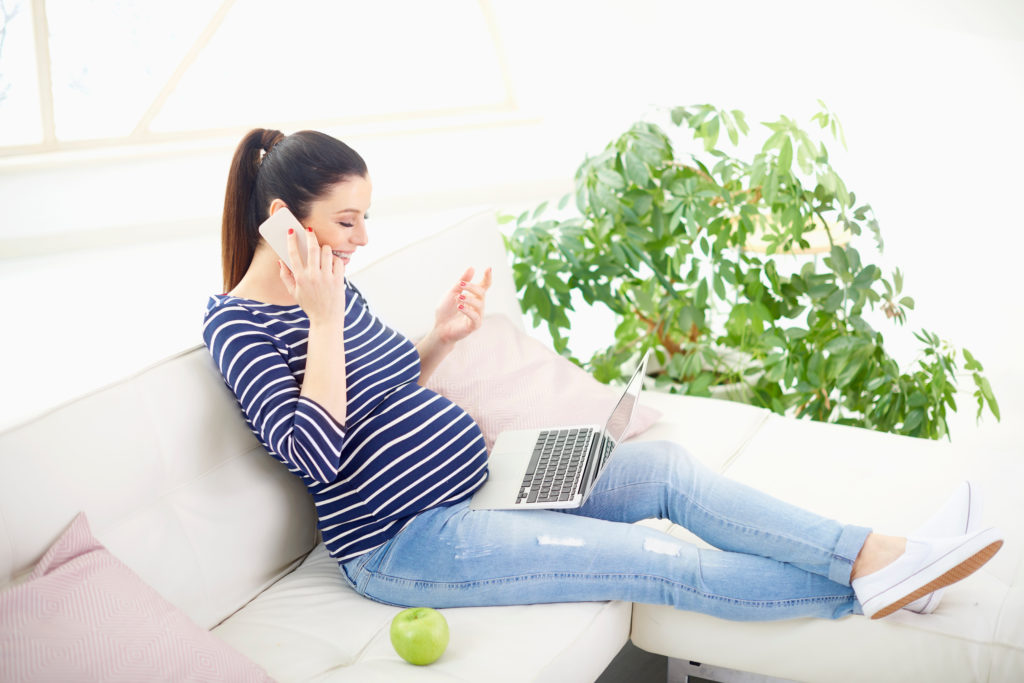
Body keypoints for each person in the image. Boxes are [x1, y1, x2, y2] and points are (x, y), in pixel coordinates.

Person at [202, 128, 1003, 622]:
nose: (364, 237)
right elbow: (314, 450)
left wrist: (440, 340)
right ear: (283, 222)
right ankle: (889, 582)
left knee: (663, 472)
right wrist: (324, 316)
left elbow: (377, 389)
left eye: (366, 217)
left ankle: (880, 554)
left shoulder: (331, 291)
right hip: (406, 542)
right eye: (349, 221)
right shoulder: (241, 324)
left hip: (486, 479)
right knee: (651, 559)